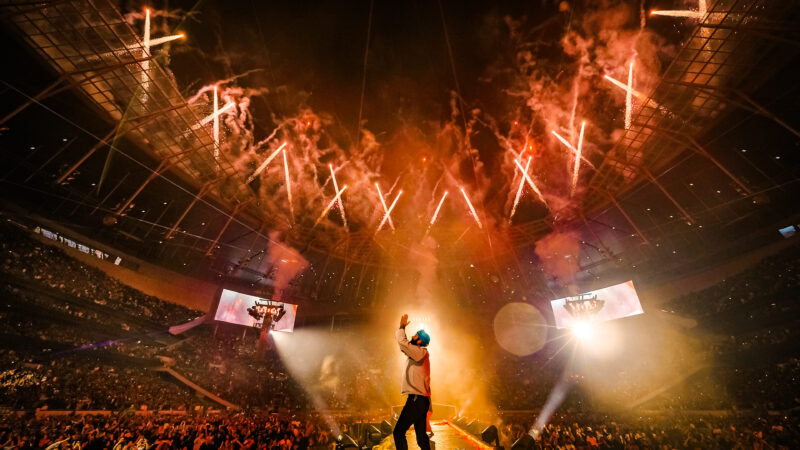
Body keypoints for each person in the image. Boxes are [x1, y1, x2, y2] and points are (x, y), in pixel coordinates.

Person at [392, 314, 432, 450]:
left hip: (416, 399)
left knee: (398, 432)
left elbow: (403, 343)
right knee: (421, 438)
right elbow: (405, 348)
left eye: (415, 336)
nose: (412, 337)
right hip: (421, 400)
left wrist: (402, 327)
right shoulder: (419, 354)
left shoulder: (420, 352)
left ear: (420, 341)